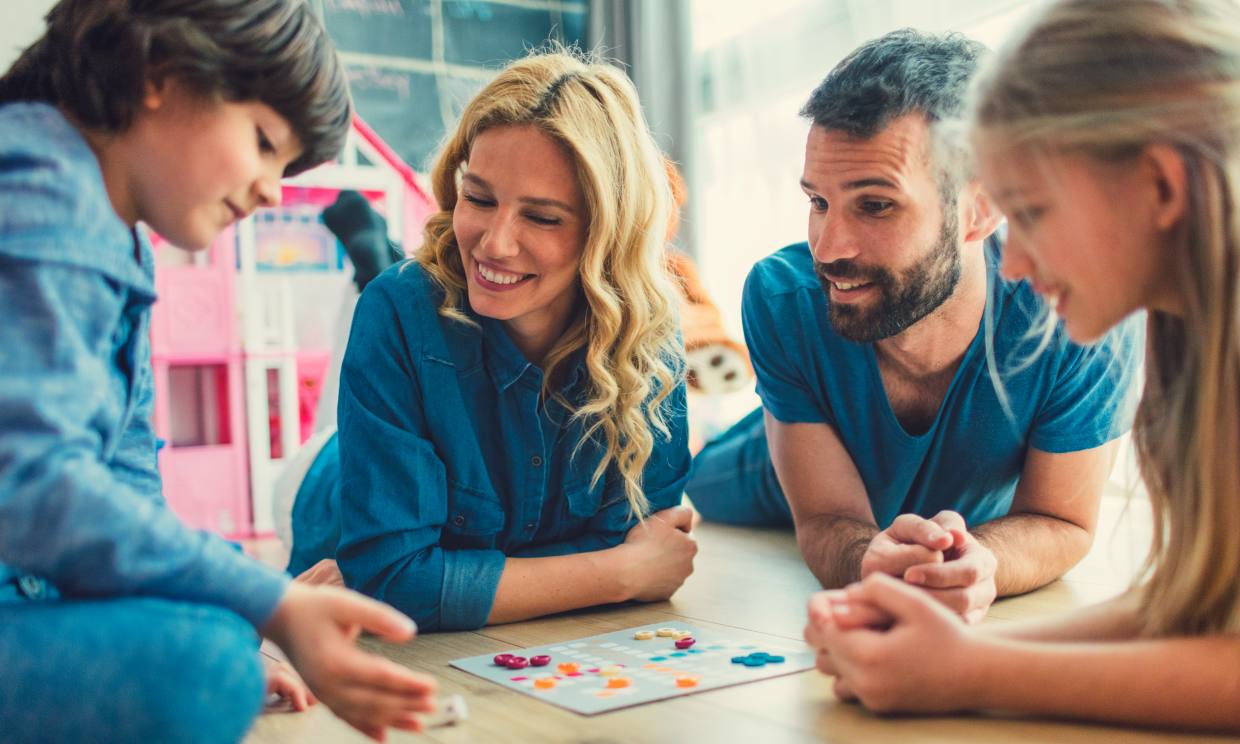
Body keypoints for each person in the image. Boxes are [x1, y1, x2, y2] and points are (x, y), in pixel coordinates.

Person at [0, 2, 436, 741]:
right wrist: (265, 602)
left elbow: (127, 478)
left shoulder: (121, 237)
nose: (271, 189)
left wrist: (251, 603)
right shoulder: (45, 189)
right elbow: (31, 485)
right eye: (264, 142)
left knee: (225, 622)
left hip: (31, 583)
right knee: (206, 666)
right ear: (159, 73)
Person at [806, 0, 1240, 730]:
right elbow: (1193, 608)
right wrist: (936, 653)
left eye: (1032, 214)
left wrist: (971, 670)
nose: (1018, 263)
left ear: (1162, 187)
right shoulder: (1191, 344)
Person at [686, 29, 1142, 622]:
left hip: (966, 517)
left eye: (876, 205)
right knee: (699, 476)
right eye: (818, 202)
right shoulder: (784, 298)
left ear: (979, 209)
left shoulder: (1078, 313)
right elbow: (825, 519)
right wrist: (866, 560)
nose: (828, 250)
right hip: (765, 474)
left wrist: (981, 564)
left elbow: (1062, 520)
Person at [288, 49, 697, 631]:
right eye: (478, 199)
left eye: (543, 218)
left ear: (606, 233)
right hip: (319, 484)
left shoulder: (649, 334)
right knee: (380, 299)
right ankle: (370, 259)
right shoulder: (398, 312)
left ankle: (371, 253)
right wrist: (620, 572)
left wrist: (430, 577)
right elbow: (394, 584)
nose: (495, 243)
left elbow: (643, 538)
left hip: (420, 430)